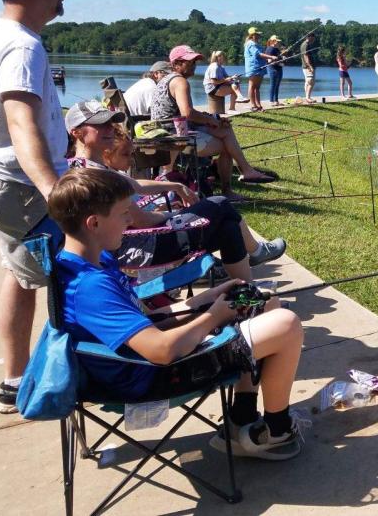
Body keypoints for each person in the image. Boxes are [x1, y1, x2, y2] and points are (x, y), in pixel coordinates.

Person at [48, 167, 305, 460]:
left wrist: (204, 301)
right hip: (148, 377)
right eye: (123, 214)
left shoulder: (91, 261)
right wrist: (215, 316)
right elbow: (161, 351)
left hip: (140, 362)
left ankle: (241, 421)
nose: (131, 220)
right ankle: (276, 432)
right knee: (286, 323)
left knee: (264, 303)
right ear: (94, 223)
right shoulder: (90, 286)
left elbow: (141, 321)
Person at [0, 0, 79, 413]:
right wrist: (56, 192)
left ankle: (14, 379)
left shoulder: (5, 35)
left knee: (19, 278)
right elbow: (20, 123)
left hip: (9, 185)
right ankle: (82, 373)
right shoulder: (21, 44)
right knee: (81, 272)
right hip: (25, 190)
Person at [66, 102, 284, 279]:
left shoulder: (85, 167)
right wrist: (177, 215)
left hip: (136, 244)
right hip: (142, 249)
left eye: (110, 123)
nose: (109, 129)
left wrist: (176, 186)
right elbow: (141, 220)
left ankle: (246, 293)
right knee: (219, 204)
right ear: (76, 132)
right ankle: (254, 254)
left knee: (229, 228)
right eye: (100, 125)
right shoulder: (96, 176)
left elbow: (136, 185)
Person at [151, 45, 275, 200]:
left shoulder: (166, 80)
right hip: (175, 136)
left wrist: (213, 119)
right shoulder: (180, 81)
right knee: (227, 147)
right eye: (189, 62)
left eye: (194, 62)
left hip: (167, 130)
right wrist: (211, 120)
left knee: (225, 130)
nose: (194, 66)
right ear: (176, 64)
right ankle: (230, 188)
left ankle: (246, 171)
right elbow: (187, 113)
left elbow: (181, 113)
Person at [244, 27, 274, 111]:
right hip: (254, 67)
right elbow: (258, 54)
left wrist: (269, 59)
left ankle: (258, 105)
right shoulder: (250, 44)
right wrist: (271, 56)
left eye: (259, 34)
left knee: (257, 87)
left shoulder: (257, 44)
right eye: (257, 34)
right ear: (252, 35)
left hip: (261, 67)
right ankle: (253, 105)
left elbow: (262, 55)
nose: (259, 36)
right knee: (252, 86)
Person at [299, 33, 317, 101]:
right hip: (307, 67)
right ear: (309, 37)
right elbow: (305, 56)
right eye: (313, 38)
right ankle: (308, 97)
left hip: (306, 66)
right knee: (311, 81)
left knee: (307, 81)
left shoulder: (306, 44)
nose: (313, 40)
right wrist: (310, 66)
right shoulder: (305, 45)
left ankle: (307, 97)